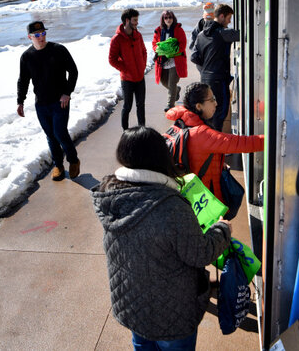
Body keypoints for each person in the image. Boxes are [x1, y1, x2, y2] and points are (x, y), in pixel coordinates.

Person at [91, 126, 232, 349]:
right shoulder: (170, 206)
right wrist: (222, 229)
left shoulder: (110, 194)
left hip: (132, 305)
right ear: (161, 157)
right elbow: (201, 252)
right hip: (171, 313)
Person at [166, 82, 264, 204]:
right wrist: (270, 139)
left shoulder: (180, 123)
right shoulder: (202, 135)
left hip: (190, 195)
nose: (216, 103)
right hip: (205, 200)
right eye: (212, 100)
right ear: (198, 106)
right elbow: (241, 143)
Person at [17, 21, 81, 181]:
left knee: (60, 132)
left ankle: (73, 160)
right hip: (41, 103)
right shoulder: (27, 57)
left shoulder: (58, 50)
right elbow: (23, 80)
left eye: (43, 33)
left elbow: (73, 71)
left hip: (60, 101)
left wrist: (67, 93)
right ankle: (58, 165)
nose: (41, 37)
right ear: (29, 37)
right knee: (50, 136)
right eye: (37, 35)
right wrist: (20, 101)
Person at [191, 4, 240, 131]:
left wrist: (206, 68)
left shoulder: (201, 35)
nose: (229, 22)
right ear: (222, 16)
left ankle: (208, 143)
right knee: (220, 113)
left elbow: (194, 57)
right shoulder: (223, 33)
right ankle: (215, 146)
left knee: (208, 113)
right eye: (229, 18)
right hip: (219, 80)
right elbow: (246, 35)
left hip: (205, 80)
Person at [109, 8, 148, 130]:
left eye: (137, 20)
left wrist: (142, 66)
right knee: (127, 107)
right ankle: (125, 132)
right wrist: (125, 70)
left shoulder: (138, 35)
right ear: (127, 20)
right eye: (134, 20)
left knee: (141, 106)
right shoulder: (117, 39)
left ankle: (142, 131)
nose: (137, 22)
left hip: (140, 77)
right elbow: (112, 59)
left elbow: (144, 51)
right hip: (127, 80)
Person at [152, 10, 188, 112]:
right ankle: (177, 90)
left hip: (175, 61)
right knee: (164, 82)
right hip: (163, 61)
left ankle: (170, 105)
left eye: (170, 17)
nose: (168, 20)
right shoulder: (158, 30)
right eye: (166, 18)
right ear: (163, 20)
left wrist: (173, 50)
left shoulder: (178, 30)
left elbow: (183, 44)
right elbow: (154, 43)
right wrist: (159, 49)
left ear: (173, 18)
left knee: (172, 84)